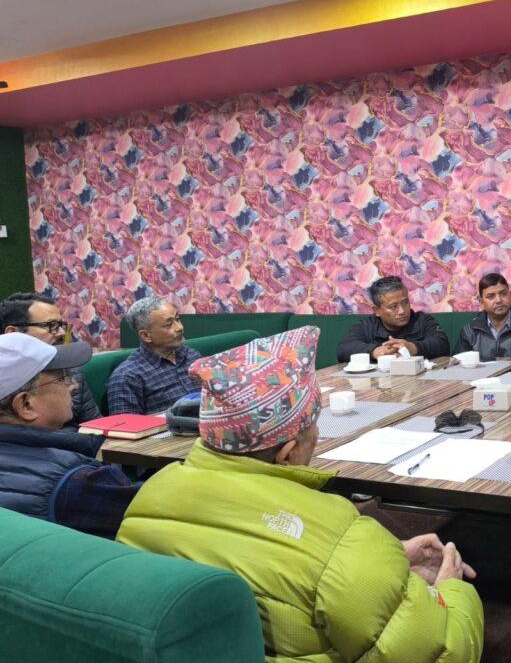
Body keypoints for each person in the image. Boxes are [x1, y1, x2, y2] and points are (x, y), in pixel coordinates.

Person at [118, 326, 484, 663]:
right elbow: (443, 652)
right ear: (287, 452)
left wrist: (387, 562)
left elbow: (273, 566)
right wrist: (450, 590)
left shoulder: (149, 496)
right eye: (313, 427)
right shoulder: (338, 532)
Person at [0, 333, 139, 538]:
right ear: (26, 405)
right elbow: (152, 518)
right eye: (62, 378)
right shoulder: (76, 480)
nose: (74, 385)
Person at [1, 292, 101, 426]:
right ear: (13, 333)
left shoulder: (72, 369)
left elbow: (96, 426)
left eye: (61, 325)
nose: (62, 333)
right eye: (51, 325)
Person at [106, 296, 201, 415]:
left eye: (177, 319)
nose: (180, 327)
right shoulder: (127, 377)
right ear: (146, 336)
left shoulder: (192, 355)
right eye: (169, 324)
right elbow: (126, 425)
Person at [337, 275, 450, 363]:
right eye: (393, 306)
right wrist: (374, 351)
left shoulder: (422, 321)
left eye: (405, 303)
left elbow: (443, 344)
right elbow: (344, 349)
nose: (402, 311)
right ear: (377, 310)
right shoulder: (367, 326)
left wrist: (415, 348)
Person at [454, 273, 511, 360]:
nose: (498, 300)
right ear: (481, 302)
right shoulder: (471, 332)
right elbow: (458, 363)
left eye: (503, 294)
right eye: (491, 296)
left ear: (510, 296)